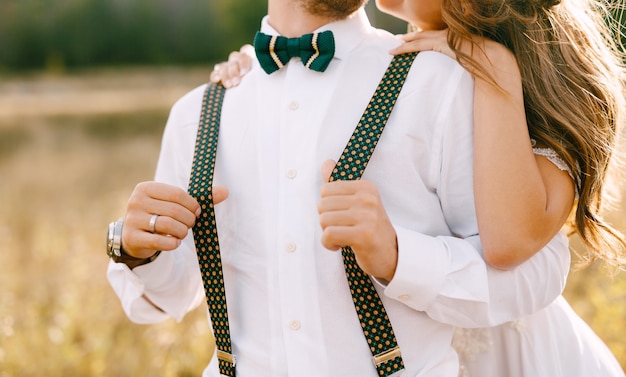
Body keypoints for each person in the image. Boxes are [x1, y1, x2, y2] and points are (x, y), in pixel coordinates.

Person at [106, 0, 575, 376]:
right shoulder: (199, 112)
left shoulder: (441, 83)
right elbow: (162, 300)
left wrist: (399, 258)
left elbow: (535, 273)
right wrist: (134, 250)